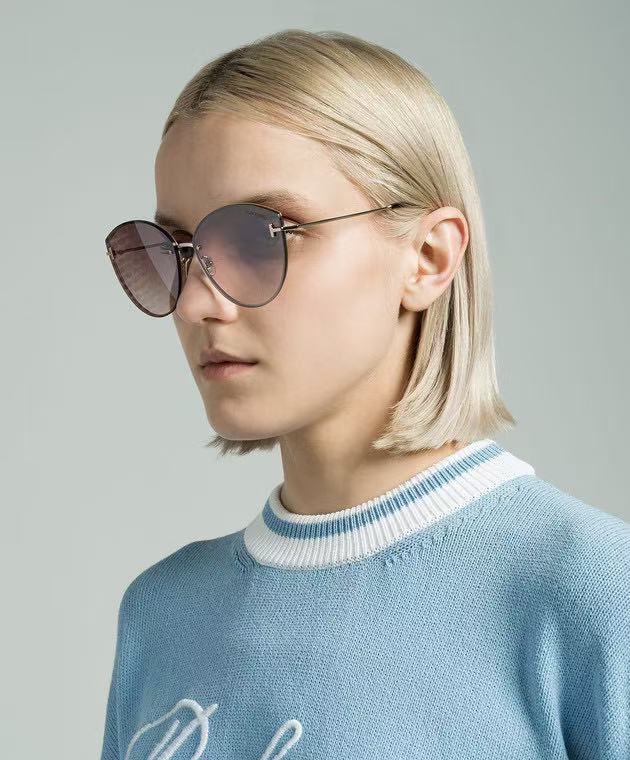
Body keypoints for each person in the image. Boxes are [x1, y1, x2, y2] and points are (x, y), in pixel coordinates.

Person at [101, 28, 630, 760]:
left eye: (260, 238)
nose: (194, 303)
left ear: (428, 257)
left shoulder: (593, 591)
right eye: (175, 251)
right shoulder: (162, 615)